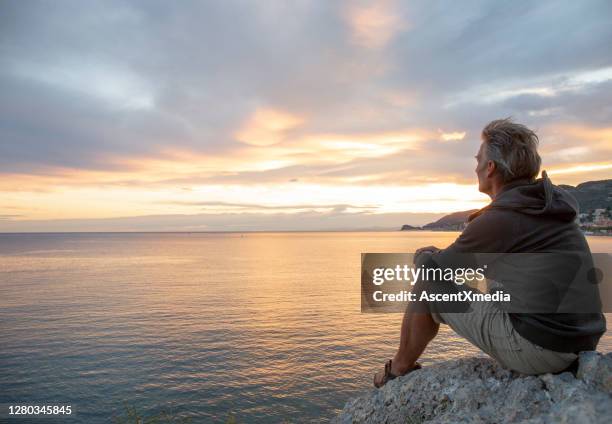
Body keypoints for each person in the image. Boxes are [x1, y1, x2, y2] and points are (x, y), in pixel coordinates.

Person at [374, 118, 606, 387]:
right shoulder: (544, 205)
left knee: (428, 285)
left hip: (544, 350)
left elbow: (431, 270)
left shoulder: (503, 218)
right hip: (581, 339)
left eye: (478, 160)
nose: (475, 167)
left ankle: (397, 372)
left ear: (490, 167)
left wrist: (424, 257)